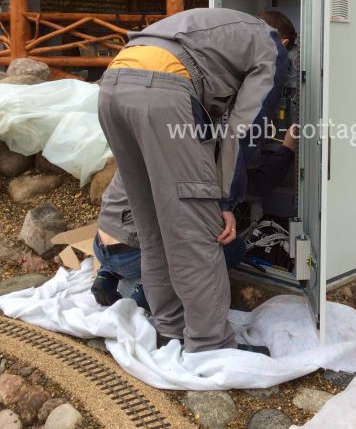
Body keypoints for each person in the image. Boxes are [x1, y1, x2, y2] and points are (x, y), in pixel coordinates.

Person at [97, 8, 295, 354]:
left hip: (112, 85)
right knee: (196, 233)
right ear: (286, 42)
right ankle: (211, 344)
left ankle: (170, 329)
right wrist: (226, 200)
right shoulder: (270, 44)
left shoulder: (221, 27)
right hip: (161, 94)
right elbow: (243, 129)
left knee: (153, 228)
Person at [91, 126, 298, 311]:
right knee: (233, 250)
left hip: (101, 246)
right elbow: (260, 184)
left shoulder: (149, 140)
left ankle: (106, 276)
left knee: (144, 225)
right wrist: (287, 147)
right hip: (134, 255)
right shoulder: (200, 159)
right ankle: (151, 290)